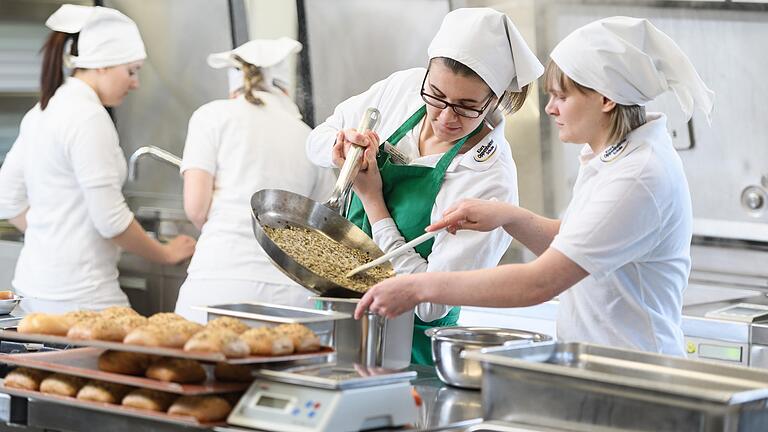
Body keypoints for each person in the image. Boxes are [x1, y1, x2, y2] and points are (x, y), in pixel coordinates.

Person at [354, 16, 715, 356]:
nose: (550, 109)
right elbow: (581, 240)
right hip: (603, 364)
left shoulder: (637, 176)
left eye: (562, 96)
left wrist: (417, 287)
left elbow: (538, 284)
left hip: (634, 373)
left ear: (606, 99)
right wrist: (509, 217)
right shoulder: (614, 155)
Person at [307, 8, 543, 365]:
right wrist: (342, 148)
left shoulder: (489, 178)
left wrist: (374, 201)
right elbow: (317, 139)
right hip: (336, 320)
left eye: (466, 107)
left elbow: (431, 304)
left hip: (409, 350)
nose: (445, 117)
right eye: (435, 95)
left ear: (494, 100)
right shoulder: (402, 89)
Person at [0, 5, 196, 314]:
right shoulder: (89, 117)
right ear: (102, 65)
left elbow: (7, 199)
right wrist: (165, 253)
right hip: (82, 297)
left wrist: (53, 239)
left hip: (33, 291)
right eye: (131, 70)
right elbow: (111, 221)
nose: (135, 83)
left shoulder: (42, 111)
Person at [174, 38, 337, 323]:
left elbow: (196, 208)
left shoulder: (211, 117)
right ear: (286, 88)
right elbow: (322, 221)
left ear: (234, 84)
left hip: (217, 284)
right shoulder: (307, 136)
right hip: (291, 294)